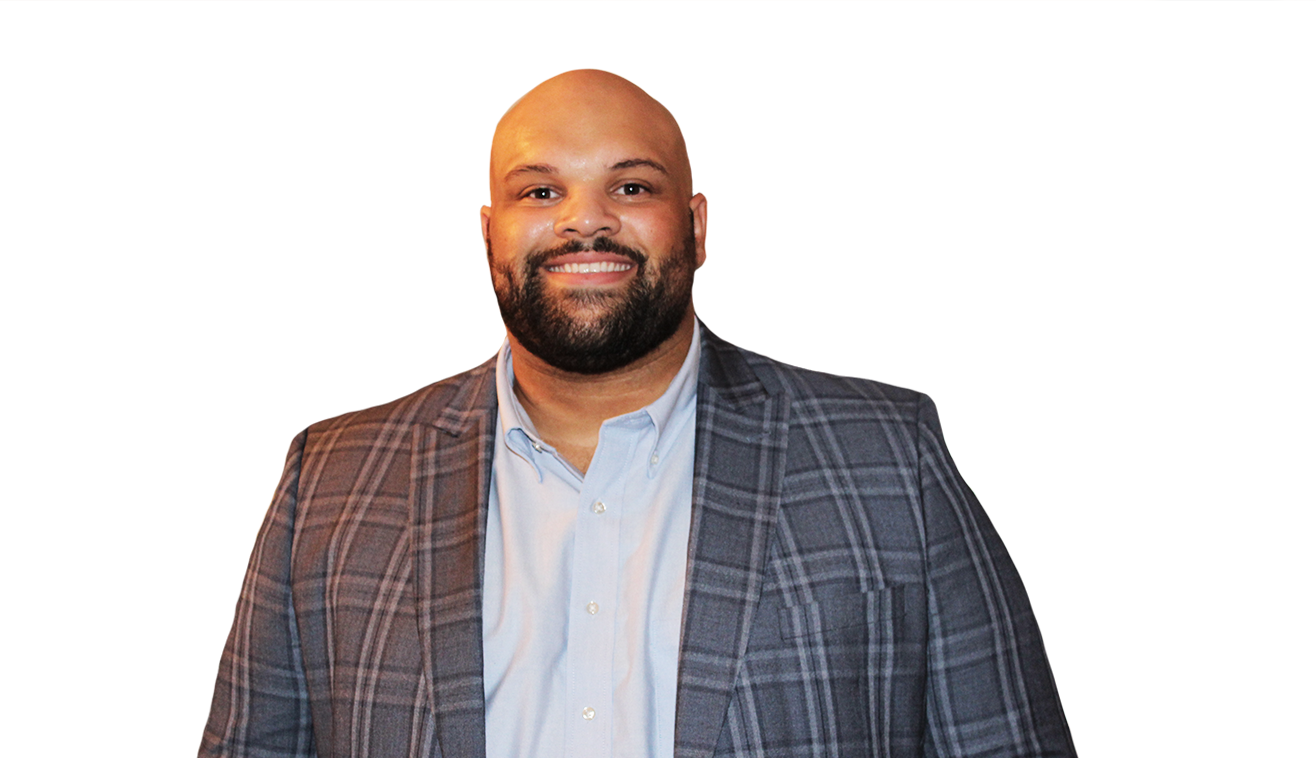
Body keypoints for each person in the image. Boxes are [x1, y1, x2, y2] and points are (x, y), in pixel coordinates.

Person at [198, 69, 1077, 758]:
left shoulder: (888, 455)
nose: (585, 223)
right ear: (489, 229)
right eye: (540, 192)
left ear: (690, 221)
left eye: (630, 188)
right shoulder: (332, 480)